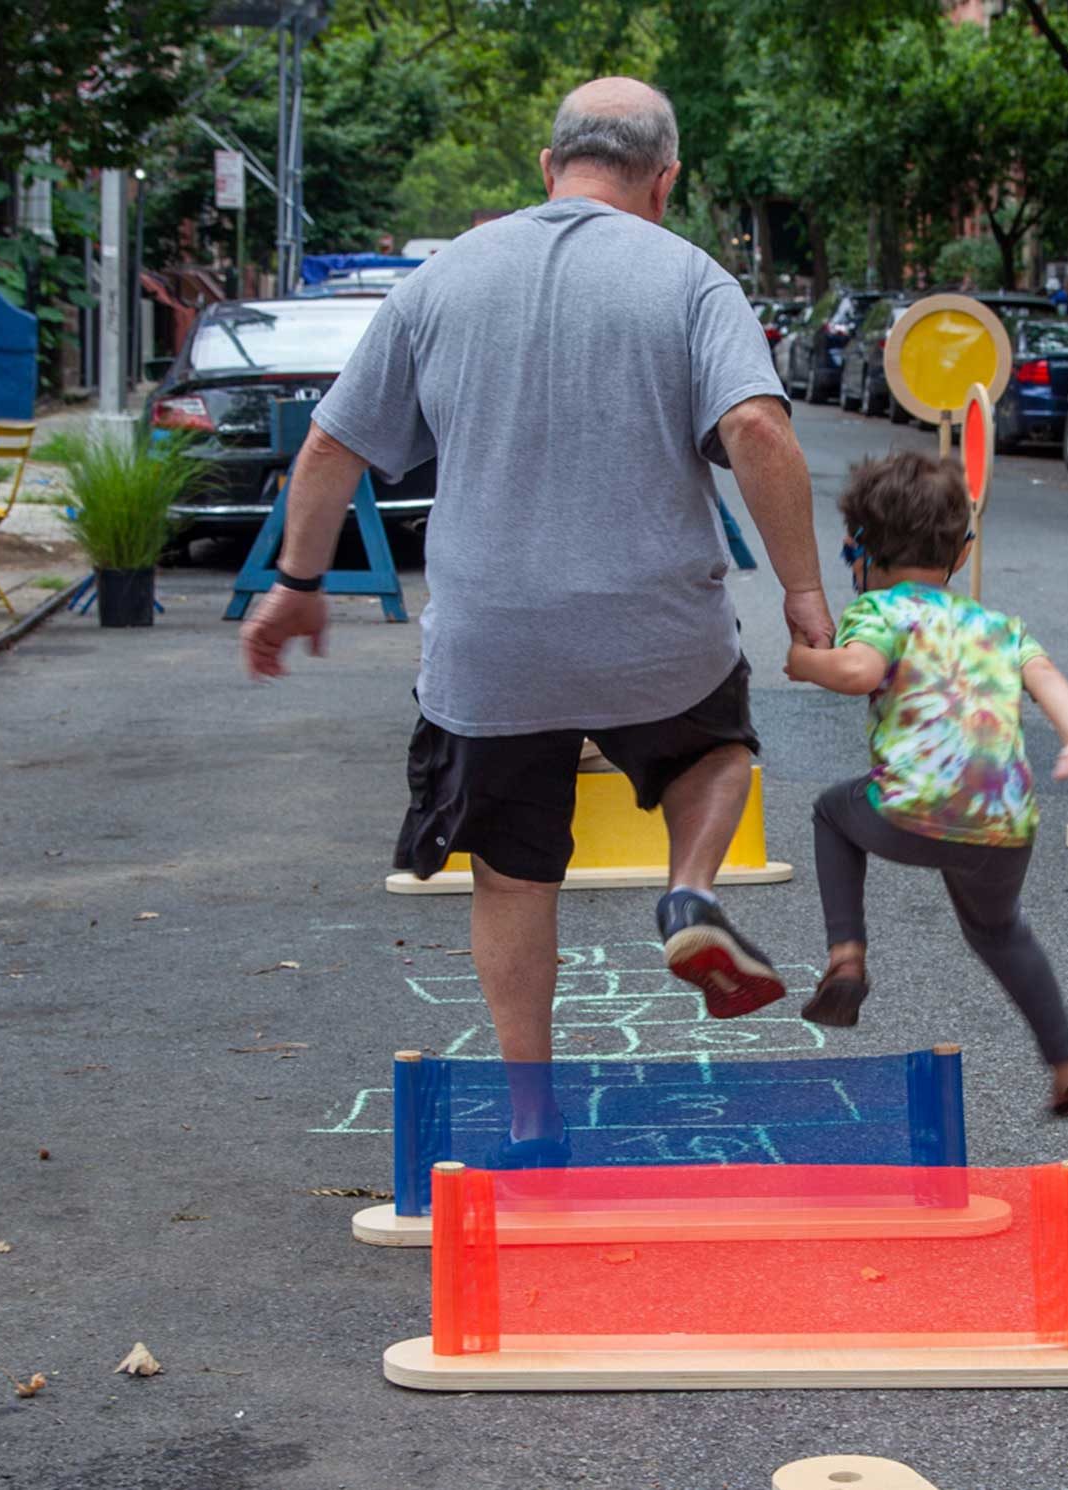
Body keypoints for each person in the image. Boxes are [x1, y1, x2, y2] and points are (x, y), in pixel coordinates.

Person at [238, 77, 830, 1139]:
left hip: (492, 640)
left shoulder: (441, 280)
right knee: (716, 752)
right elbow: (759, 430)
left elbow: (331, 444)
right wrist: (801, 592)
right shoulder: (693, 279)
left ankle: (527, 1114)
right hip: (657, 631)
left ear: (548, 167)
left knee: (513, 877)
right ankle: (688, 891)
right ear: (665, 180)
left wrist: (297, 583)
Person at [783, 452, 1068, 1116]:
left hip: (909, 812)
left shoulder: (880, 611)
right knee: (999, 932)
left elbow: (854, 673)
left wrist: (803, 660)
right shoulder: (994, 625)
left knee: (829, 813)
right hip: (1004, 822)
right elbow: (1044, 674)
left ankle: (847, 953)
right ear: (961, 554)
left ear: (860, 551)